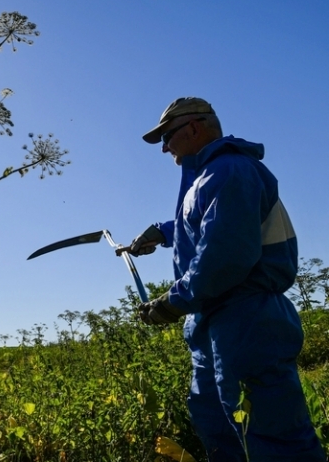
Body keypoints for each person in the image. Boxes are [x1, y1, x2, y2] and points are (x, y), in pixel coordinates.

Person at [130, 97, 325, 461]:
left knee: (272, 437)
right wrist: (161, 232)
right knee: (220, 433)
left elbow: (225, 256)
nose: (164, 148)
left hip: (246, 319)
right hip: (211, 322)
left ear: (194, 128)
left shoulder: (231, 171)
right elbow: (205, 224)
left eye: (167, 136)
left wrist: (172, 302)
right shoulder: (206, 178)